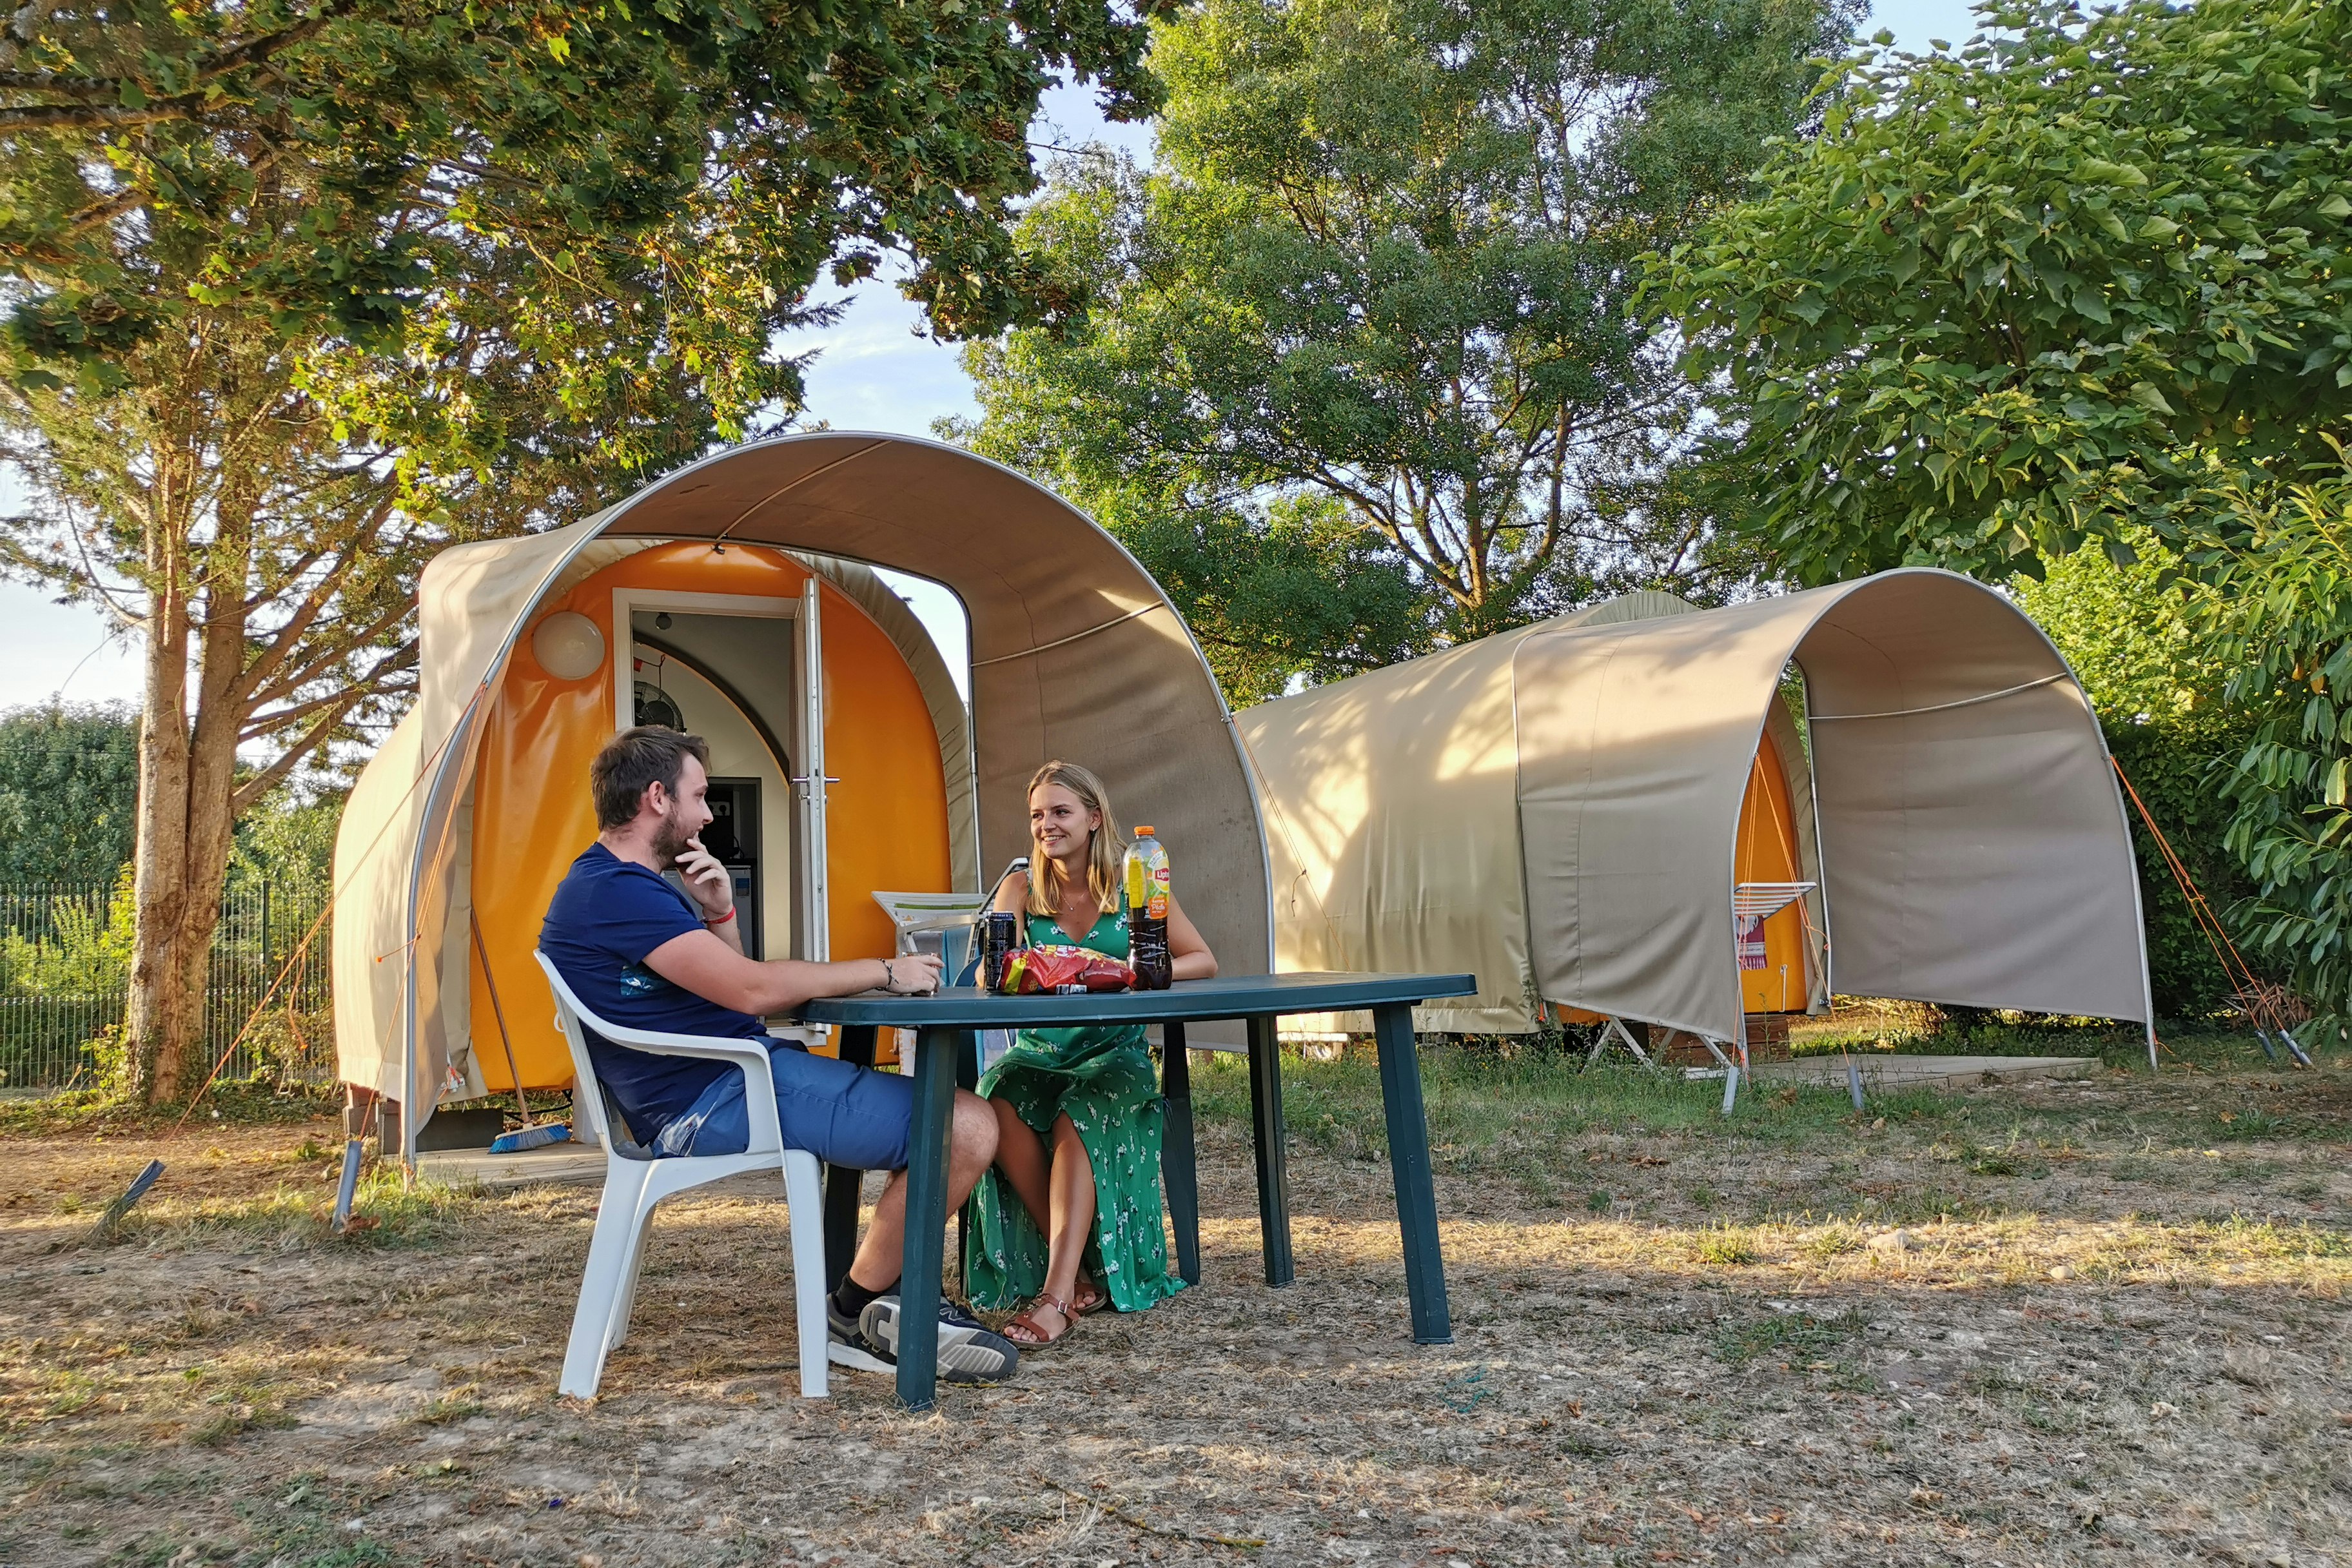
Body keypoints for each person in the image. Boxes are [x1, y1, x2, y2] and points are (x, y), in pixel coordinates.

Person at [540, 725, 1017, 1382]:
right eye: (699, 795)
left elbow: (736, 999)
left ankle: (884, 1299)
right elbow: (755, 988)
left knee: (954, 1116)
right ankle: (864, 1307)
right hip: (718, 1097)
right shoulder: (619, 892)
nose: (708, 814)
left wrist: (718, 915)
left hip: (714, 1088)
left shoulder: (610, 886)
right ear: (656, 797)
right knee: (966, 1124)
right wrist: (885, 967)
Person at [962, 760, 1217, 1346]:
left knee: (1081, 1109)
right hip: (1041, 1051)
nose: (1046, 825)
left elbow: (1203, 958)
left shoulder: (1136, 884)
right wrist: (1014, 968)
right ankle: (1074, 1266)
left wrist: (1138, 974)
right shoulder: (1023, 886)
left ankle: (1055, 1297)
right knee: (996, 1096)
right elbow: (988, 973)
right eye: (1037, 815)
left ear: (1094, 818)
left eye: (1060, 812)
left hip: (1113, 1052)